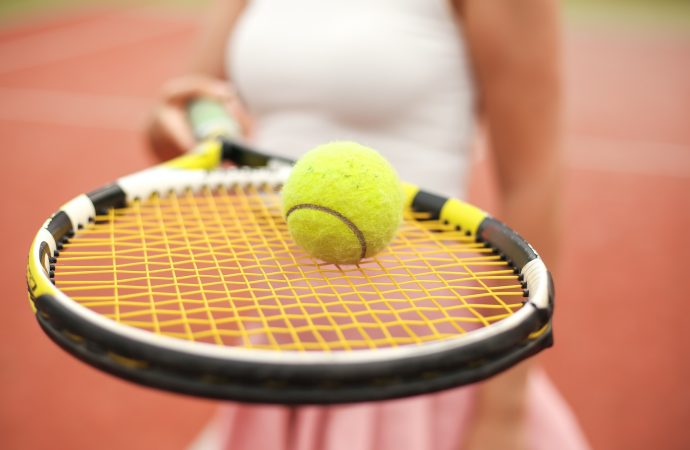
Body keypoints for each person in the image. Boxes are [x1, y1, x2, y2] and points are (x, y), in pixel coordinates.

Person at [147, 1, 590, 449]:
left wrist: (504, 412)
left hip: (413, 351)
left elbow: (532, 183)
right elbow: (184, 111)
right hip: (277, 334)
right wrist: (180, 120)